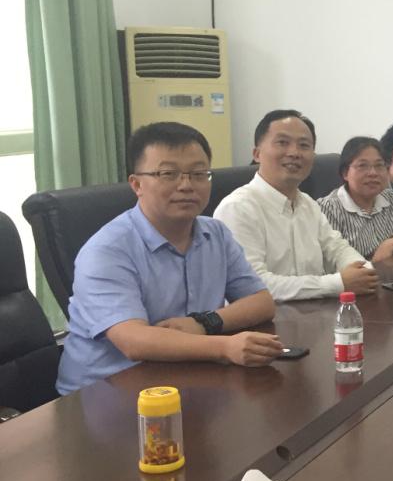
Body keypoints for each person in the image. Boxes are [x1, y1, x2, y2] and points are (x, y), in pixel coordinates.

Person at [56, 122, 281, 394]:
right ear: (137, 184)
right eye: (168, 174)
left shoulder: (216, 233)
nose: (186, 185)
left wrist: (204, 323)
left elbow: (261, 302)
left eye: (198, 174)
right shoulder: (106, 250)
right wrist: (225, 347)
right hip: (104, 393)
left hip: (184, 379)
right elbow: (134, 340)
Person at [215, 110, 379, 301]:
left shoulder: (307, 204)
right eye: (282, 142)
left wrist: (362, 270)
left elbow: (337, 248)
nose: (294, 153)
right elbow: (253, 285)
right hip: (264, 318)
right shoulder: (237, 208)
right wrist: (338, 283)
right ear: (257, 154)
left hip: (314, 312)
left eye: (304, 145)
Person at [318, 137, 393, 261]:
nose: (373, 173)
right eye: (362, 166)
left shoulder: (390, 197)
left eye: (379, 165)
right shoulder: (328, 208)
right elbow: (331, 260)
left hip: (391, 270)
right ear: (345, 173)